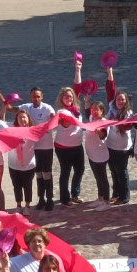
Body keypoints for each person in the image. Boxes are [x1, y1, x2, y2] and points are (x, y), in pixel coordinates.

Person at [2, 86, 55, 211]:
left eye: (38, 96)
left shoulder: (47, 108)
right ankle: (41, 198)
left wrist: (50, 125)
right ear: (30, 97)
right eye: (33, 96)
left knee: (47, 173)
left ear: (42, 97)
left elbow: (54, 118)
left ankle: (50, 199)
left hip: (46, 146)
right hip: (33, 148)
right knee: (38, 174)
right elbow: (9, 108)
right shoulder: (26, 107)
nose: (36, 98)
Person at [55, 61, 85, 207]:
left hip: (77, 145)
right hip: (63, 147)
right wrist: (76, 121)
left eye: (70, 96)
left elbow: (77, 87)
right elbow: (66, 123)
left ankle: (75, 194)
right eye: (66, 96)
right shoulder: (61, 111)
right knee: (65, 172)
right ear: (61, 98)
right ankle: (64, 198)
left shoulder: (75, 108)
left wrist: (78, 69)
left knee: (80, 170)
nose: (69, 98)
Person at [105, 65, 133, 205]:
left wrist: (118, 122)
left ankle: (125, 196)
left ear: (126, 101)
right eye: (118, 99)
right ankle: (115, 193)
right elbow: (110, 89)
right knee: (113, 171)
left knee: (122, 172)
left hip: (122, 148)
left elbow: (128, 126)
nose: (120, 101)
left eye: (123, 99)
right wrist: (110, 72)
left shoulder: (128, 113)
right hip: (110, 145)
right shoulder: (111, 108)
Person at [83, 97, 111, 211]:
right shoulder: (91, 118)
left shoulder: (104, 123)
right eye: (92, 109)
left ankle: (106, 201)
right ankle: (100, 198)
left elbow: (103, 136)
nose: (93, 111)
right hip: (91, 154)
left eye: (96, 109)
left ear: (102, 111)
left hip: (100, 155)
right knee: (97, 177)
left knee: (103, 178)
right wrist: (87, 101)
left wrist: (97, 130)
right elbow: (86, 112)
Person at [7, 109, 36, 215]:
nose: (22, 119)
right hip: (14, 164)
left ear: (28, 119)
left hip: (28, 164)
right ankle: (18, 205)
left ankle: (27, 205)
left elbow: (46, 129)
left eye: (24, 117)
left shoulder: (33, 130)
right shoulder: (12, 130)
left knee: (28, 186)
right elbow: (1, 122)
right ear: (17, 120)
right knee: (17, 186)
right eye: (20, 117)